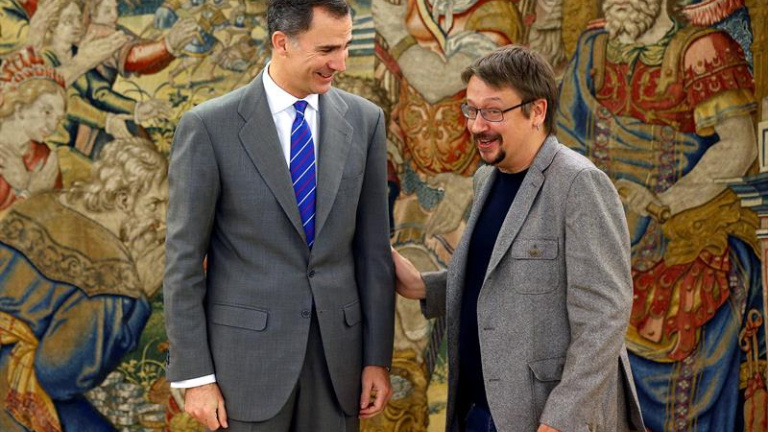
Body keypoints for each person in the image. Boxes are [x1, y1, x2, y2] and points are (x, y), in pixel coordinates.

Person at [163, 0, 395, 431]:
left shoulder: (366, 121)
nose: (341, 63)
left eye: (345, 47)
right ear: (282, 42)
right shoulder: (209, 127)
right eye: (327, 49)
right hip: (243, 370)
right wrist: (196, 377)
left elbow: (374, 253)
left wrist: (376, 359)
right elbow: (183, 262)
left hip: (338, 367)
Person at [392, 45, 645, 432]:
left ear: (537, 111)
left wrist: (560, 420)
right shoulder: (486, 178)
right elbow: (502, 279)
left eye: (493, 112)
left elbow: (604, 319)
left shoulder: (580, 183)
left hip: (543, 420)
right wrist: (424, 287)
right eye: (471, 110)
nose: (477, 126)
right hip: (475, 411)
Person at [556, 0, 763, 429]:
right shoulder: (594, 48)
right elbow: (564, 140)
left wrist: (662, 201)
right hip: (601, 229)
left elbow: (739, 145)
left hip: (681, 232)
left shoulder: (703, 49)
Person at [0, 137, 168, 432]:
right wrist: (140, 296)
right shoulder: (110, 271)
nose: (163, 220)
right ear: (123, 200)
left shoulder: (43, 203)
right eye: (155, 204)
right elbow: (60, 378)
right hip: (14, 391)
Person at [0, 46, 65, 212]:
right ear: (20, 108)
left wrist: (25, 185)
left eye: (58, 119)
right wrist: (29, 192)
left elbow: (54, 217)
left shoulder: (44, 157)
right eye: (47, 112)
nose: (53, 126)